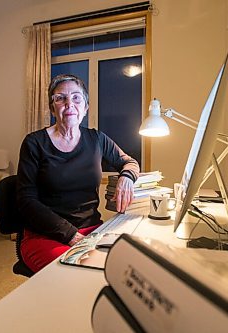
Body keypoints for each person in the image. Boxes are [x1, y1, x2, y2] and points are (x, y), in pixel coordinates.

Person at [16, 74, 140, 273]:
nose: (69, 104)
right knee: (80, 273)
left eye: (76, 97)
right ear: (52, 108)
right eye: (60, 98)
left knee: (128, 264)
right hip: (46, 235)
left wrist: (126, 177)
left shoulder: (97, 139)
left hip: (91, 230)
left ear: (86, 107)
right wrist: (71, 235)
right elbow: (26, 201)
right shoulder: (34, 143)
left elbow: (130, 162)